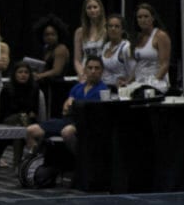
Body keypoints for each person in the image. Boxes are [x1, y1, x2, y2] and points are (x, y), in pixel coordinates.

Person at [20, 55, 116, 186]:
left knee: (67, 132)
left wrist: (73, 107)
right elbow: (65, 108)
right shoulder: (77, 88)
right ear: (85, 70)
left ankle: (82, 164)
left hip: (85, 123)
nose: (93, 71)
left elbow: (98, 115)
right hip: (68, 119)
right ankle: (33, 163)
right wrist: (68, 106)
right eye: (90, 68)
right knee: (30, 130)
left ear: (101, 71)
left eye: (97, 68)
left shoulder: (103, 90)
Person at [129, 1, 173, 95]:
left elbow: (164, 64)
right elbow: (137, 65)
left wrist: (152, 82)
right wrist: (128, 81)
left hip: (156, 82)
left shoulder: (160, 36)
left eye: (146, 16)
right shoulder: (138, 38)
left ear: (152, 18)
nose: (143, 20)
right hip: (139, 81)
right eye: (139, 17)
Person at [96, 14, 135, 90]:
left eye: (117, 26)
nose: (113, 29)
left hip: (121, 90)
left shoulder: (126, 48)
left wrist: (127, 83)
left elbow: (135, 71)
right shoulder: (105, 46)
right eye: (110, 26)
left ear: (122, 30)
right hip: (104, 89)